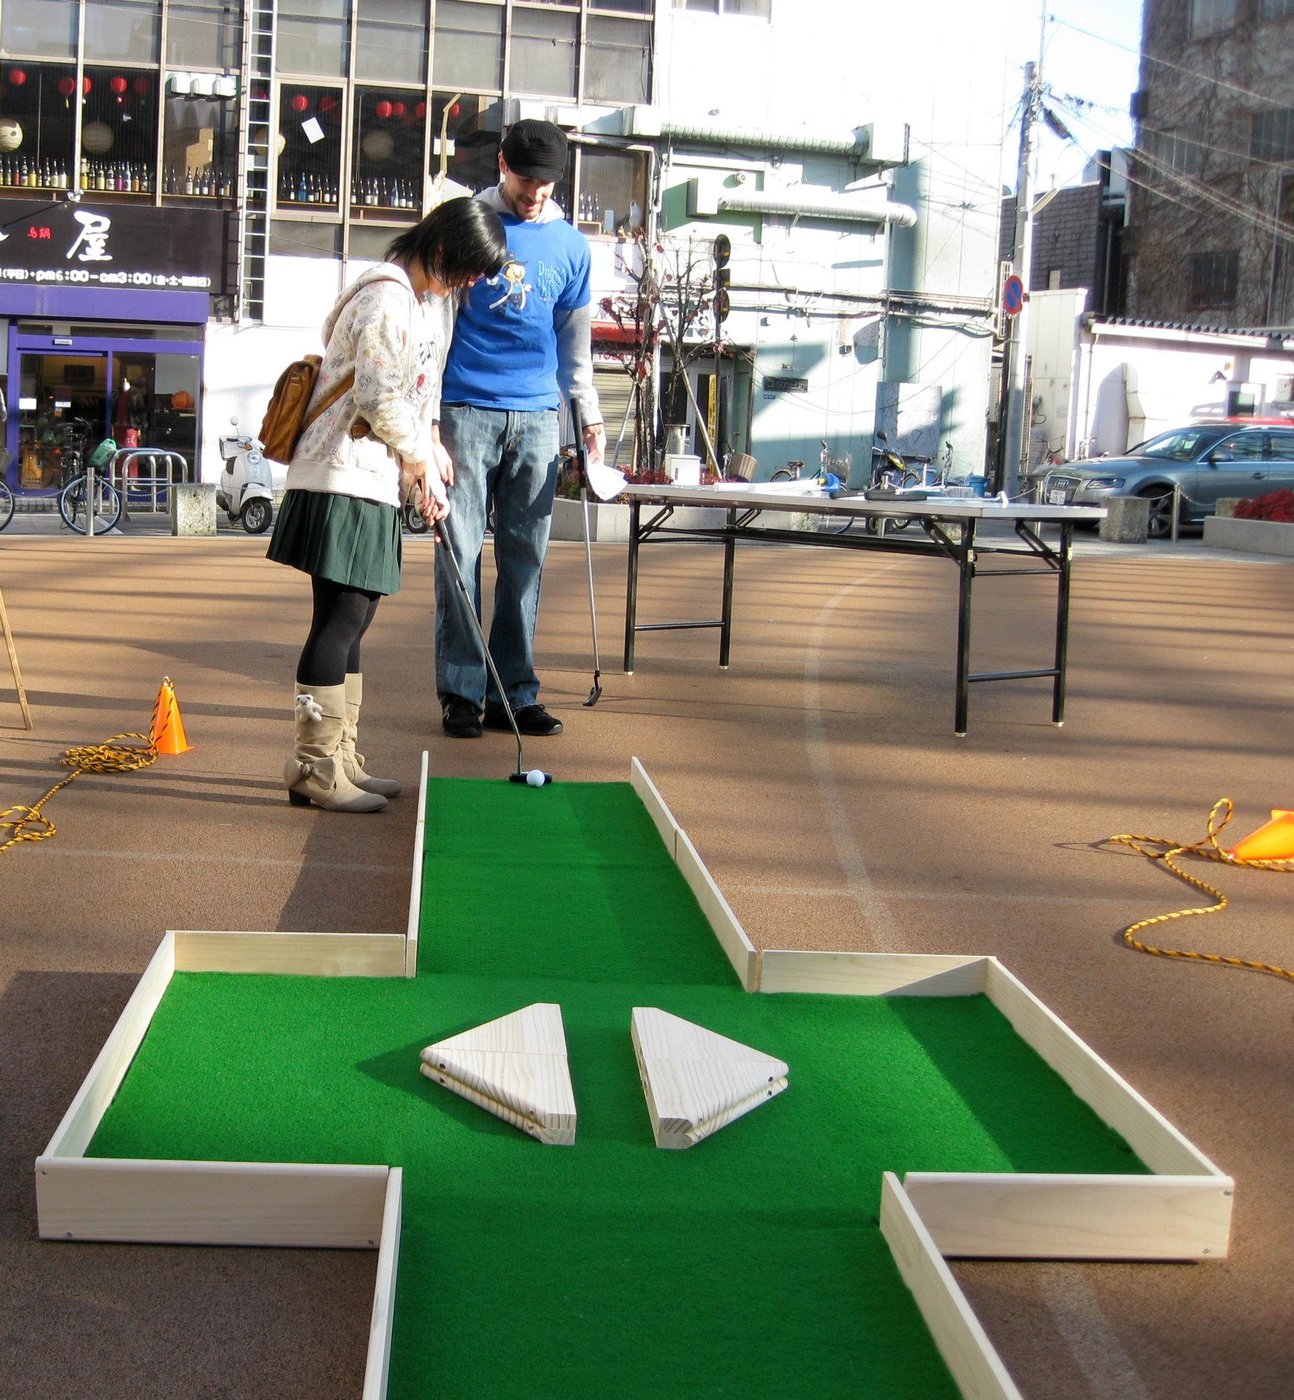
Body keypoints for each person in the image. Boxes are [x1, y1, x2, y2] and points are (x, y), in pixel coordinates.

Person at [267, 197, 508, 812]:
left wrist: (429, 450)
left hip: (369, 476)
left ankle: (338, 757)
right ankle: (314, 767)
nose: (474, 282)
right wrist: (420, 460)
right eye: (472, 268)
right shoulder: (387, 297)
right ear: (446, 247)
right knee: (340, 619)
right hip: (341, 475)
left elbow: (416, 394)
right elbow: (377, 395)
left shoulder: (430, 304)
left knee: (354, 621)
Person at [433, 119, 606, 740]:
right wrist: (429, 418)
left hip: (537, 416)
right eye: (524, 179)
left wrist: (587, 418)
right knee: (459, 554)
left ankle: (516, 693)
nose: (534, 192)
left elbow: (574, 345)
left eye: (545, 183)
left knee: (526, 559)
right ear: (501, 163)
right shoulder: (466, 223)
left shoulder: (573, 247)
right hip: (464, 409)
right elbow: (437, 316)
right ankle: (461, 691)